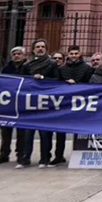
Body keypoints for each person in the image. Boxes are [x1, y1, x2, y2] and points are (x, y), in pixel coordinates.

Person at [17, 39, 58, 169]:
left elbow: (56, 80)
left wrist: (42, 79)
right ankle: (25, 159)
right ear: (33, 49)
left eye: (42, 47)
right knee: (28, 133)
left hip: (46, 103)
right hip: (31, 103)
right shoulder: (27, 65)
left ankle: (45, 159)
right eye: (38, 47)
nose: (40, 49)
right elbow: (22, 82)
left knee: (45, 134)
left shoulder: (52, 64)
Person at [0, 46, 27, 165]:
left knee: (22, 132)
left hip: (22, 105)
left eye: (19, 54)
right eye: (14, 54)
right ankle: (4, 154)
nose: (17, 56)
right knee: (5, 131)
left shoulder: (27, 68)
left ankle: (20, 154)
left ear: (24, 56)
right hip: (8, 105)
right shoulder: (6, 69)